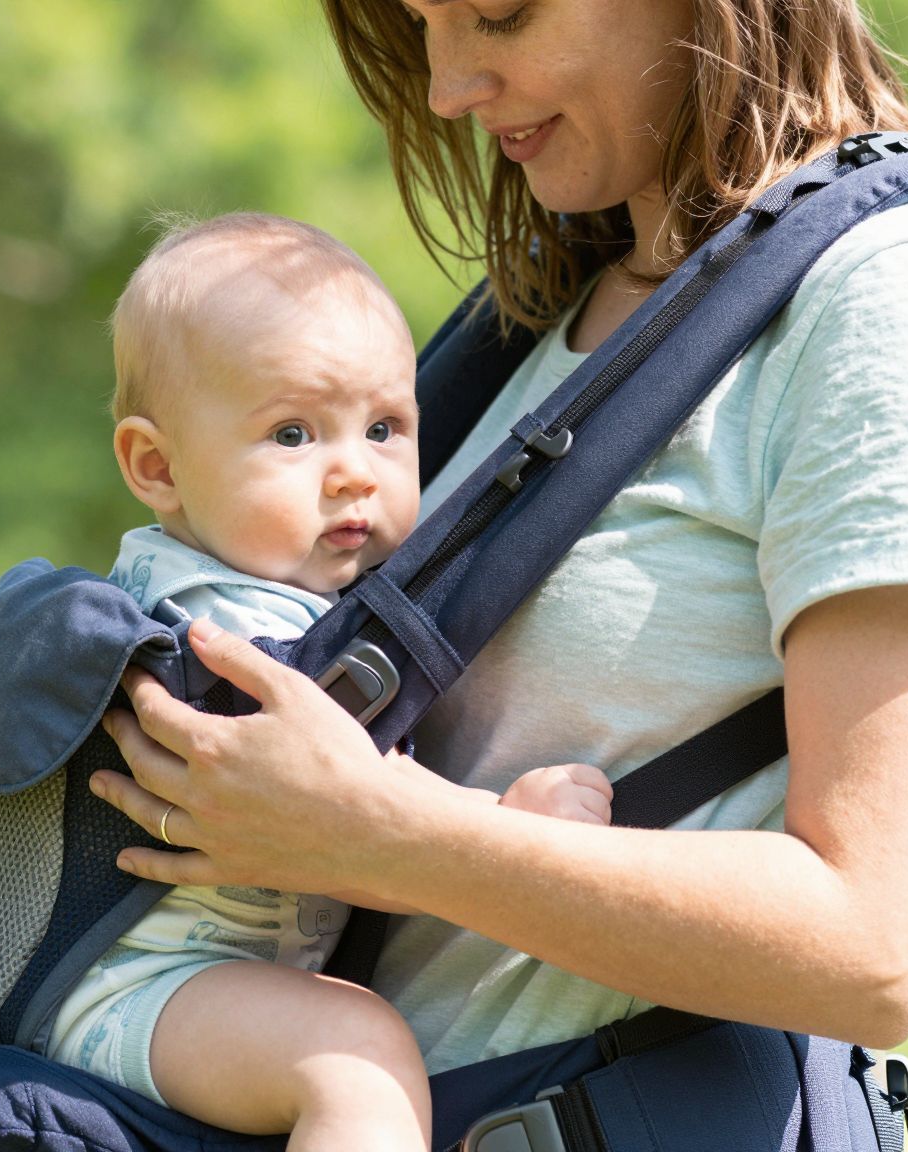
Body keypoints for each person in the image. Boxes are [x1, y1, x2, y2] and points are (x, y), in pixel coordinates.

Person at [90, 0, 908, 1114]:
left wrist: (379, 835)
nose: (446, 89)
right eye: (422, 23)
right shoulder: (566, 299)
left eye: (498, 12)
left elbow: (876, 949)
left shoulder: (903, 298)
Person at [47, 210, 617, 1150]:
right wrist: (508, 824)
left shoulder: (247, 588)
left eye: (385, 427)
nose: (355, 471)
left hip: (196, 986)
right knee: (358, 1058)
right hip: (139, 990)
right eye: (292, 433)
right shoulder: (228, 630)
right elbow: (362, 825)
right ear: (157, 466)